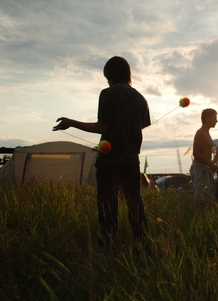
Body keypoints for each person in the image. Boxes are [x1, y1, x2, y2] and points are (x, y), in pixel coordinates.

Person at [53, 56, 151, 247]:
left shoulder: (107, 94)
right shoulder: (141, 98)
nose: (106, 81)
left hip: (110, 161)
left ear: (111, 75)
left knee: (108, 205)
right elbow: (139, 126)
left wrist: (71, 123)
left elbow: (102, 127)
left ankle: (108, 245)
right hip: (132, 160)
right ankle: (144, 244)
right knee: (135, 204)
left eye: (107, 76)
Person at [190, 108, 218, 204]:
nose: (216, 120)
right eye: (214, 118)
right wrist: (210, 164)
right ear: (207, 118)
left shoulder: (207, 133)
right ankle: (197, 215)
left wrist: (212, 164)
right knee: (200, 196)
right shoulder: (200, 133)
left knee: (207, 195)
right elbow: (196, 153)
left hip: (206, 168)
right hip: (199, 168)